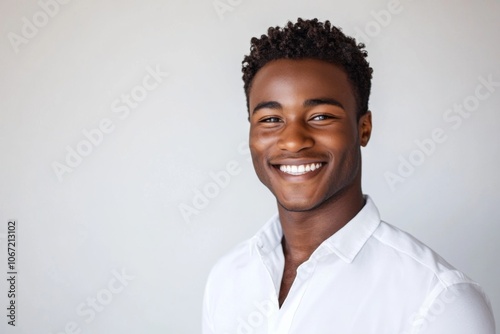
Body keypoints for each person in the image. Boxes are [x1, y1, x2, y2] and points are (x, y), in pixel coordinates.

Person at [202, 18, 495, 333]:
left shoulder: (441, 302)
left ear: (363, 128)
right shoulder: (228, 277)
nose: (293, 140)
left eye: (321, 116)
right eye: (271, 118)